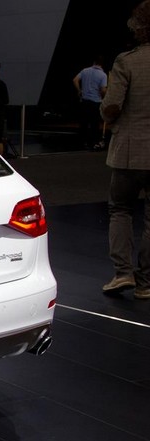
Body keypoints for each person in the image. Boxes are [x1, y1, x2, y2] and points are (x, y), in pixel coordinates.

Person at [100, 0, 150, 300]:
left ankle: (123, 274)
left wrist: (106, 113)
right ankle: (146, 283)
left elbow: (112, 106)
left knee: (120, 209)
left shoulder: (127, 61)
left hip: (130, 152)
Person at [73, 55, 108, 150]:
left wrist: (79, 91)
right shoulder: (103, 75)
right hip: (95, 102)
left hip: (84, 101)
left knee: (83, 123)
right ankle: (93, 143)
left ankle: (81, 143)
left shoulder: (85, 71)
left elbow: (75, 80)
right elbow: (103, 90)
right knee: (94, 123)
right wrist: (104, 97)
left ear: (94, 62)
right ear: (102, 64)